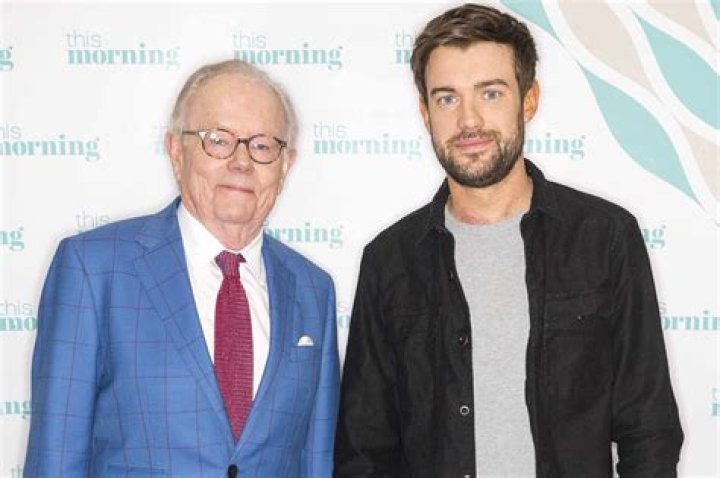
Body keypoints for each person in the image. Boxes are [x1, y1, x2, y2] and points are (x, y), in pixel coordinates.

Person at [334, 3, 682, 477]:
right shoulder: (389, 261)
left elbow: (649, 430)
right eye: (447, 99)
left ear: (529, 100)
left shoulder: (605, 238)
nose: (468, 121)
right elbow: (364, 450)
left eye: (491, 93)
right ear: (425, 112)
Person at [25, 60, 339, 477]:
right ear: (176, 151)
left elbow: (317, 463)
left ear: (285, 165)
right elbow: (55, 459)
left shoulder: (313, 290)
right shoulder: (94, 270)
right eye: (218, 140)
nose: (241, 161)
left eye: (263, 146)